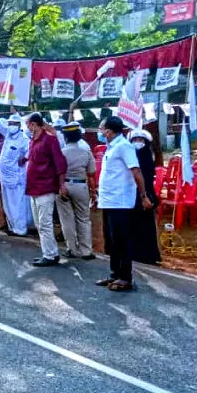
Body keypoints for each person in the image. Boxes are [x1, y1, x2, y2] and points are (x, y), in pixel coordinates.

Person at [96, 117, 154, 291]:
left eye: (101, 129)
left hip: (120, 201)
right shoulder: (112, 147)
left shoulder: (124, 147)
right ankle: (115, 273)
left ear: (109, 131)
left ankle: (125, 277)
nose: (100, 132)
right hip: (108, 200)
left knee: (121, 240)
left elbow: (136, 171)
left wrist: (143, 196)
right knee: (112, 240)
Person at [25, 113, 68, 266]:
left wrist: (62, 185)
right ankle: (49, 252)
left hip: (45, 187)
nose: (27, 127)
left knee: (45, 223)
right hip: (33, 187)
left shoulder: (50, 140)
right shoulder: (33, 141)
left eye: (28, 124)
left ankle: (50, 255)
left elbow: (60, 164)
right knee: (39, 224)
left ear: (33, 124)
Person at [56, 122, 97, 260]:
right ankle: (86, 250)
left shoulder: (61, 153)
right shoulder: (86, 152)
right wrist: (93, 191)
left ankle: (72, 249)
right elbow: (91, 174)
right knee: (84, 219)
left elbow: (56, 172)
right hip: (81, 186)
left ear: (65, 137)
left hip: (64, 186)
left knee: (66, 219)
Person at [126, 128, 162, 265]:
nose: (137, 142)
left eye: (140, 140)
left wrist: (146, 195)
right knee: (133, 225)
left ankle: (148, 255)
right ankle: (135, 252)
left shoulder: (147, 156)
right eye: (135, 140)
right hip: (131, 194)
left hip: (145, 194)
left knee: (146, 227)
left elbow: (146, 178)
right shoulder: (130, 155)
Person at [0, 115, 31, 237]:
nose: (11, 126)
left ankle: (21, 229)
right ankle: (12, 227)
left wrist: (24, 159)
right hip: (5, 177)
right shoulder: (8, 135)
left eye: (14, 123)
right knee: (8, 204)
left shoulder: (23, 139)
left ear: (19, 125)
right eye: (10, 123)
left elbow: (30, 152)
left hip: (16, 177)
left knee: (18, 204)